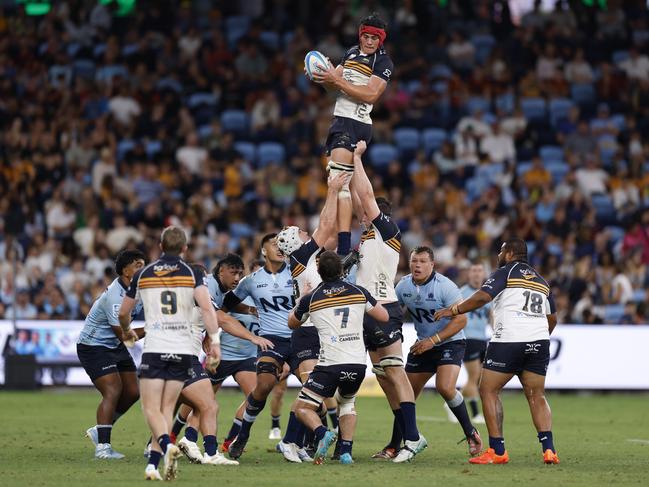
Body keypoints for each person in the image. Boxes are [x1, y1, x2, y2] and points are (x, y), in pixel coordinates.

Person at [434, 239, 560, 465]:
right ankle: (549, 450)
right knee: (536, 394)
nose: (499, 254)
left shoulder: (506, 272)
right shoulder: (542, 281)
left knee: (488, 389)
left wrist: (454, 309)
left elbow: (483, 296)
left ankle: (497, 450)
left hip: (509, 340)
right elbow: (553, 318)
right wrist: (538, 335)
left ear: (510, 253)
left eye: (501, 251)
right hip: (539, 342)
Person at [118, 226, 222, 481]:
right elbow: (207, 309)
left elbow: (123, 313)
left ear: (160, 246)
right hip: (182, 350)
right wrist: (216, 342)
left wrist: (127, 331)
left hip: (156, 349)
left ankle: (167, 446)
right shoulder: (192, 273)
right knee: (165, 410)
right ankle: (153, 465)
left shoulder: (144, 273)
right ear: (185, 249)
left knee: (151, 408)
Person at [351, 141, 426, 463]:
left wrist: (355, 158)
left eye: (367, 215)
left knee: (396, 375)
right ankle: (400, 439)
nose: (361, 217)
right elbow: (357, 200)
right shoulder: (367, 235)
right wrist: (340, 176)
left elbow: (365, 197)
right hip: (365, 312)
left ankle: (412, 438)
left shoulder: (388, 231)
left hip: (384, 307)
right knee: (384, 380)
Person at [289, 251, 389, 464]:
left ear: (319, 271)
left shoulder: (312, 297)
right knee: (347, 403)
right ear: (342, 270)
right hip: (357, 363)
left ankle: (321, 433)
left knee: (302, 408)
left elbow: (292, 323)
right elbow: (384, 316)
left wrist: (300, 300)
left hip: (329, 365)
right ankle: (345, 452)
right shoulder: (358, 291)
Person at [275, 172, 349, 457]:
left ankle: (300, 442)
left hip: (316, 329)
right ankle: (291, 441)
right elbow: (327, 225)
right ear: (295, 241)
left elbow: (326, 230)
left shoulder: (304, 261)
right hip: (306, 332)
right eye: (302, 234)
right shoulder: (301, 256)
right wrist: (332, 191)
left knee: (316, 393)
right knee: (312, 391)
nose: (308, 235)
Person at [382, 247, 482, 458]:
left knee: (445, 387)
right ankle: (393, 446)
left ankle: (471, 432)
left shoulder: (446, 287)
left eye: (422, 261)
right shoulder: (403, 286)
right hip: (423, 344)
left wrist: (433, 340)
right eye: (414, 261)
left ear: (432, 265)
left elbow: (461, 319)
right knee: (405, 395)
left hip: (450, 342)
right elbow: (393, 314)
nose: (417, 265)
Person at [311, 13, 393, 263]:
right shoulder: (350, 52)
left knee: (339, 181)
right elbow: (333, 90)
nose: (369, 42)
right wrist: (322, 78)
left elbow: (370, 95)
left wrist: (336, 79)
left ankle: (343, 248)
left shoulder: (383, 62)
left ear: (381, 40)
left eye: (374, 38)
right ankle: (343, 244)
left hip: (353, 122)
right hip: (342, 120)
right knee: (342, 183)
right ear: (360, 35)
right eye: (366, 36)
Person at [173, 262, 270, 466]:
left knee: (198, 403)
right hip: (185, 357)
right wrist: (252, 338)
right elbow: (222, 319)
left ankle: (186, 443)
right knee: (205, 403)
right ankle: (208, 451)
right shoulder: (204, 293)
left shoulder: (176, 295)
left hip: (162, 356)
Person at [222, 233, 300, 462]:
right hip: (271, 340)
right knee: (264, 386)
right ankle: (243, 434)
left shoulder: (297, 273)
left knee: (315, 390)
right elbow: (226, 305)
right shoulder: (252, 281)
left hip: (300, 339)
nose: (279, 247)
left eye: (281, 243)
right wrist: (247, 311)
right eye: (273, 244)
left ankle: (298, 441)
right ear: (263, 251)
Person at [76, 249, 145, 459]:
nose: (144, 269)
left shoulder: (139, 289)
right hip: (93, 346)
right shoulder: (115, 297)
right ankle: (103, 448)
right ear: (126, 271)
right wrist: (157, 328)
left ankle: (100, 429)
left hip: (113, 345)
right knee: (113, 390)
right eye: (138, 266)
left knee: (133, 391)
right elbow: (127, 338)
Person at [459, 262, 492, 425]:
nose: (477, 274)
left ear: (483, 274)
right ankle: (475, 413)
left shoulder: (488, 294)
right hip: (467, 338)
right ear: (469, 274)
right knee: (473, 376)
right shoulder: (462, 293)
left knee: (477, 378)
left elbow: (492, 316)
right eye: (474, 270)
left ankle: (453, 400)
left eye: (480, 270)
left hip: (482, 339)